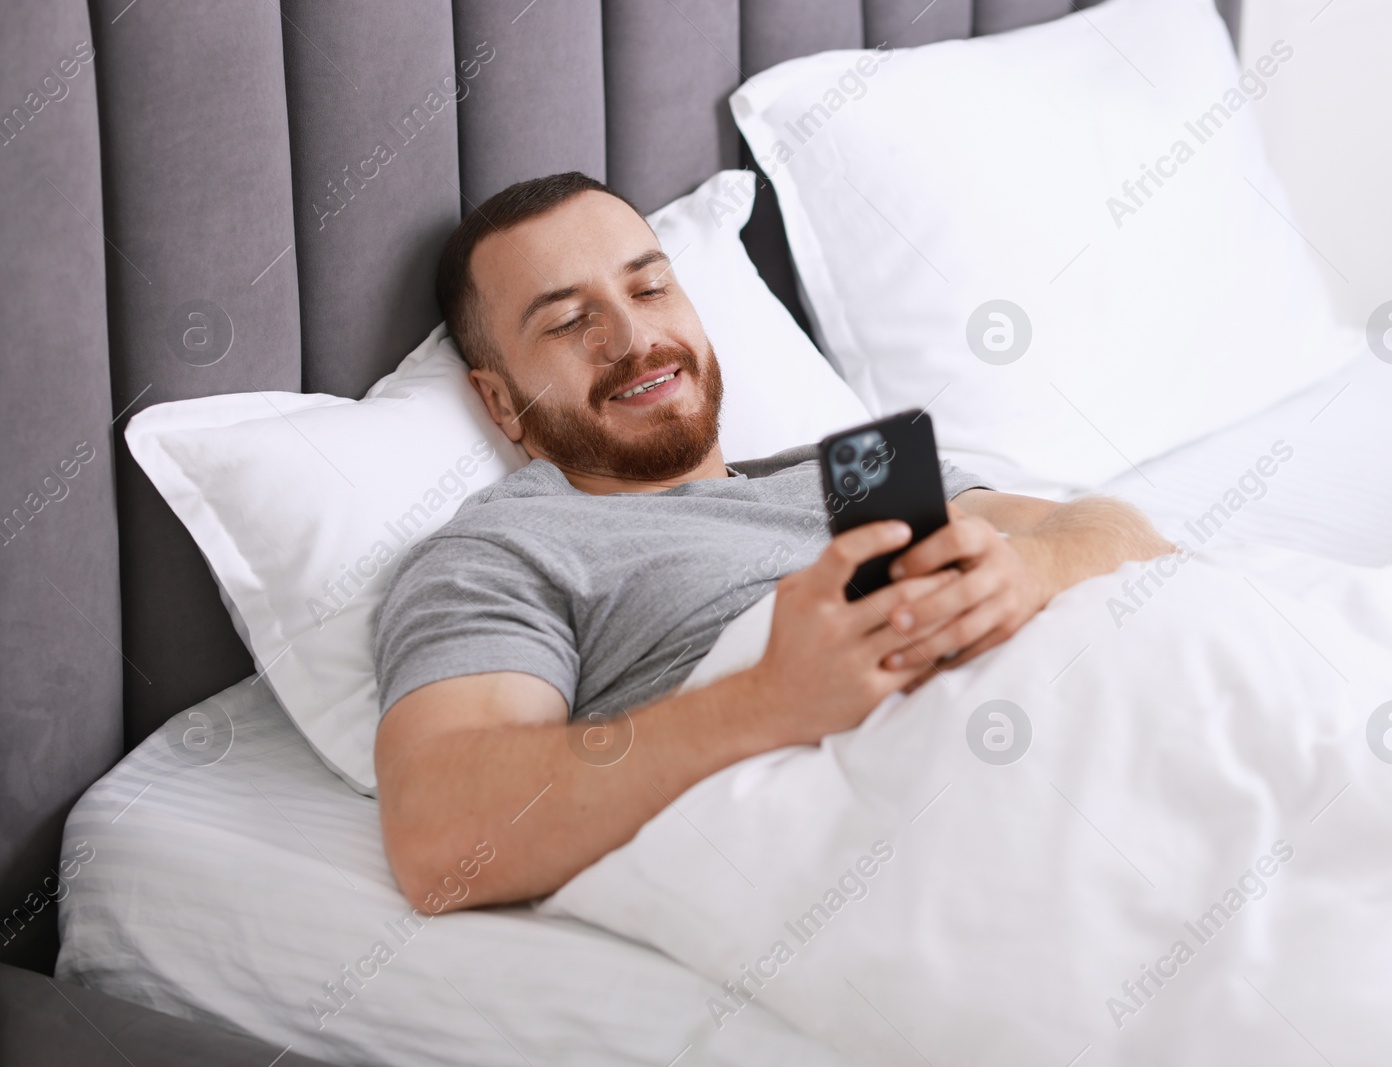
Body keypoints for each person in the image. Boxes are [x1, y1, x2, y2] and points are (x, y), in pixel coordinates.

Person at [372, 172, 1173, 909]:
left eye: (650, 286)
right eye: (571, 321)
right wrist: (768, 700)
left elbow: (1127, 536)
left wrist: (1029, 568)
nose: (632, 335)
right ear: (500, 401)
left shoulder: (857, 468)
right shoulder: (505, 545)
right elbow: (437, 832)